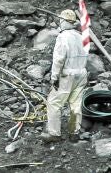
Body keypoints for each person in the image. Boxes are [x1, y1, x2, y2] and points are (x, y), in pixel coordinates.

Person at [43, 9, 89, 143]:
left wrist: (54, 77)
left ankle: (54, 134)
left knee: (54, 103)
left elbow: (59, 59)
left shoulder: (63, 37)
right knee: (76, 104)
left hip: (67, 75)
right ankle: (74, 132)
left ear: (63, 21)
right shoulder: (81, 36)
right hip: (81, 73)